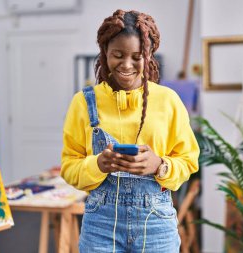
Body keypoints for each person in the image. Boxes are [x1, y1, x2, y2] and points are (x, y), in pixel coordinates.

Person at [61, 9, 200, 253]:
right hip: (99, 226)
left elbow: (189, 162)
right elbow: (69, 167)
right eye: (118, 55)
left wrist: (159, 165)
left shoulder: (168, 100)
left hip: (156, 224)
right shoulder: (83, 102)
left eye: (137, 56)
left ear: (149, 56)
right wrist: (98, 165)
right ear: (105, 53)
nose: (126, 65)